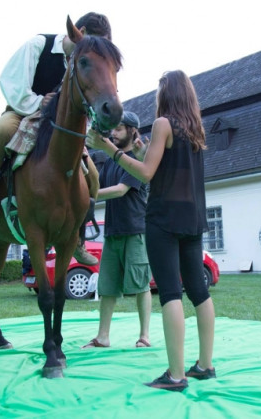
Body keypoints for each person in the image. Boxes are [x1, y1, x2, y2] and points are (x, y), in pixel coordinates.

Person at [86, 70, 215, 392]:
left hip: (163, 219)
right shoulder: (195, 130)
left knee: (171, 293)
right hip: (193, 217)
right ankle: (205, 365)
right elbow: (162, 167)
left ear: (165, 94)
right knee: (199, 293)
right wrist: (143, 153)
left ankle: (175, 375)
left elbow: (144, 175)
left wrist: (111, 149)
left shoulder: (163, 124)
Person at [0, 12, 112, 266]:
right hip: (22, 113)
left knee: (93, 176)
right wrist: (41, 103)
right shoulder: (38, 46)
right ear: (79, 32)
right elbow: (12, 84)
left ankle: (77, 238)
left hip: (56, 127)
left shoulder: (84, 62)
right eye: (94, 43)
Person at [81, 112, 153, 350]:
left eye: (119, 129)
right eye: (113, 129)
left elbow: (121, 190)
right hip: (112, 231)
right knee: (108, 286)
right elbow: (98, 185)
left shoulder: (138, 159)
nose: (113, 133)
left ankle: (144, 336)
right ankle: (102, 337)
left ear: (133, 131)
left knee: (141, 285)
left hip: (136, 230)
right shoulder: (111, 160)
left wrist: (88, 195)